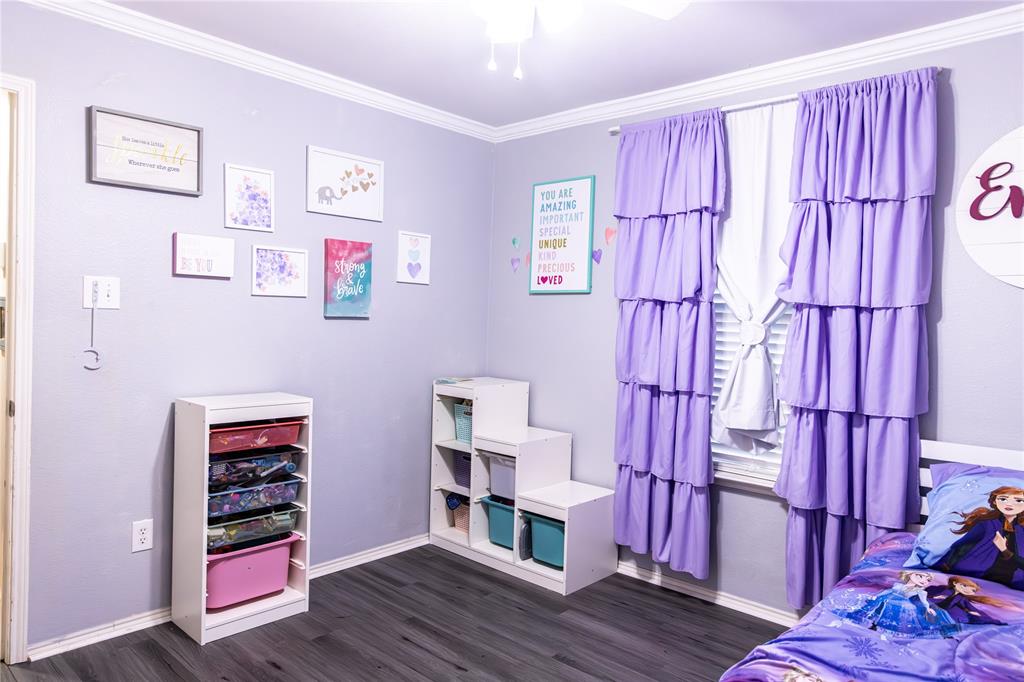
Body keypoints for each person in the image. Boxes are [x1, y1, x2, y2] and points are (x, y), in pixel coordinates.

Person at [938, 486, 1024, 589]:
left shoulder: (1021, 530)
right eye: (1003, 499)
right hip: (981, 573)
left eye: (1018, 500)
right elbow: (962, 545)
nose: (1009, 504)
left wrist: (1004, 550)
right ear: (995, 501)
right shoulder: (986, 524)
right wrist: (946, 565)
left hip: (1012, 580)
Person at [838, 570, 957, 637]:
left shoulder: (921, 592)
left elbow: (924, 602)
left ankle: (883, 628)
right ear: (910, 574)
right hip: (888, 599)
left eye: (927, 579)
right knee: (882, 603)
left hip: (901, 605)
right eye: (920, 576)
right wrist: (875, 597)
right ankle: (871, 622)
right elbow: (888, 592)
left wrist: (928, 608)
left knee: (902, 609)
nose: (923, 580)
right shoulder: (899, 585)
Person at [926, 576, 1005, 626]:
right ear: (955, 583)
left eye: (973, 590)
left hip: (942, 614)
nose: (966, 590)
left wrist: (995, 621)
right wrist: (934, 597)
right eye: (964, 585)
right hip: (927, 609)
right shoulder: (939, 589)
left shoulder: (960, 598)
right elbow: (921, 595)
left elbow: (971, 608)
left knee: (970, 616)